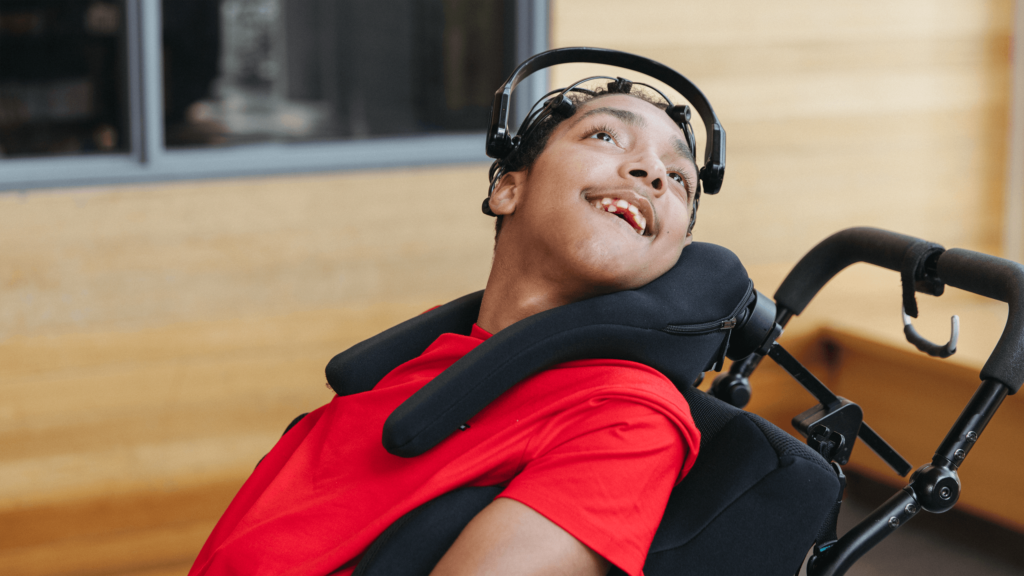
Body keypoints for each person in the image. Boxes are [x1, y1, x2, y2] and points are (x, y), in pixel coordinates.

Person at [189, 84, 704, 576]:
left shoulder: (628, 416)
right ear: (508, 187)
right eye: (606, 136)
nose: (653, 173)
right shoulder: (417, 357)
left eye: (679, 177)